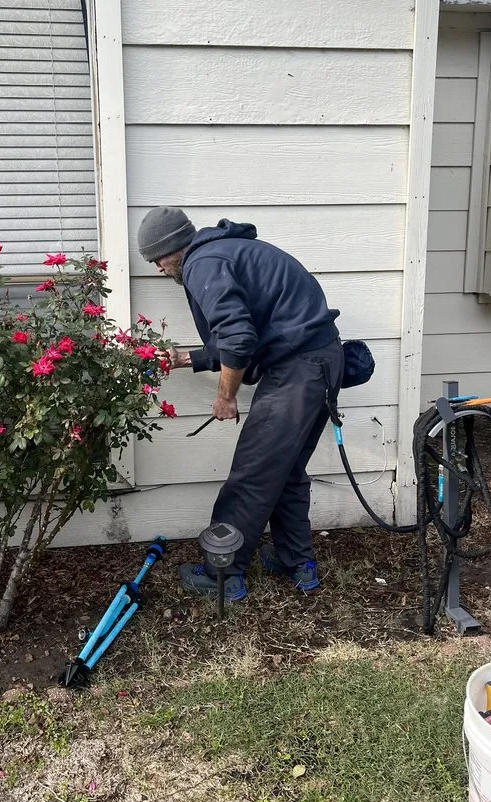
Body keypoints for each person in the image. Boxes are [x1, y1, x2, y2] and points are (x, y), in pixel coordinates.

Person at [137, 207, 345, 602]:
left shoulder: (202, 263)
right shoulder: (226, 251)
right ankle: (297, 563)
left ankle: (223, 575)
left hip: (297, 372)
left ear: (172, 248)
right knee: (285, 470)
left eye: (157, 260)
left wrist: (225, 396)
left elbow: (237, 339)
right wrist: (186, 359)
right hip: (321, 362)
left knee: (253, 474)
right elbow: (243, 332)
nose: (159, 270)